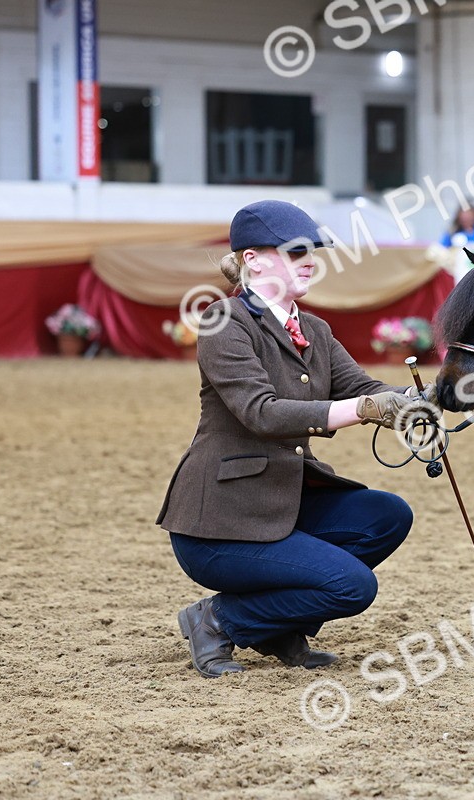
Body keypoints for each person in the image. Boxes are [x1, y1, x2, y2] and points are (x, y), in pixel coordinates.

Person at [158, 200, 433, 678]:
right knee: (353, 587)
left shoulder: (315, 329)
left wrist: (426, 397)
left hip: (279, 506)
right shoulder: (222, 322)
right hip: (220, 525)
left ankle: (278, 628)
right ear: (252, 259)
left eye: (313, 251)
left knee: (387, 516)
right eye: (295, 251)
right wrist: (366, 411)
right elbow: (261, 413)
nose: (310, 260)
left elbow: (365, 389)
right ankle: (217, 620)